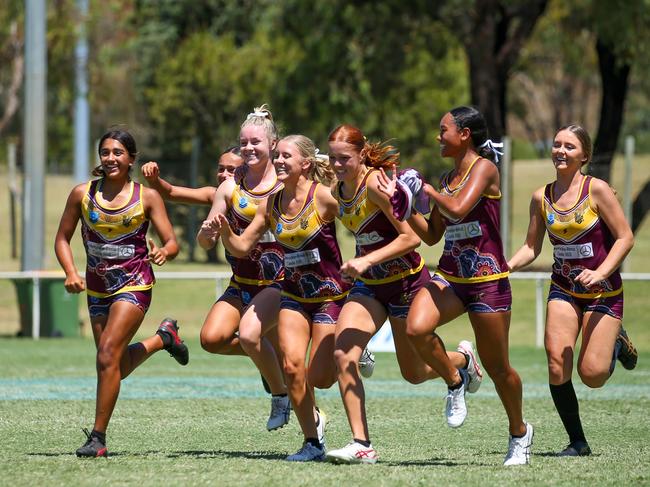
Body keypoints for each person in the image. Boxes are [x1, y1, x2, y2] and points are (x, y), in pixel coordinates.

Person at [378, 106, 532, 466]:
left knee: (499, 370)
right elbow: (432, 235)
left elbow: (460, 209)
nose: (438, 136)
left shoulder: (486, 169)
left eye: (443, 129)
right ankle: (455, 379)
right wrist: (404, 209)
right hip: (451, 277)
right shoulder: (447, 178)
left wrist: (425, 189)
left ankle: (520, 433)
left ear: (464, 134)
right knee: (416, 328)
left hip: (487, 282)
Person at [324, 124, 478, 464]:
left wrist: (366, 260)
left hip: (407, 283)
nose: (337, 165)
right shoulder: (338, 189)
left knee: (415, 373)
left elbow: (411, 239)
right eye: (332, 158)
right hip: (369, 288)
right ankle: (362, 444)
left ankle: (462, 364)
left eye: (343, 158)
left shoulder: (376, 186)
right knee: (343, 354)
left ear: (362, 153)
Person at [54, 130, 188, 458]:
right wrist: (71, 272)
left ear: (131, 158)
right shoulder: (81, 195)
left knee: (106, 357)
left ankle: (98, 437)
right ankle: (163, 338)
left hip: (135, 285)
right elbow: (61, 239)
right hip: (97, 289)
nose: (110, 158)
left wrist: (164, 253)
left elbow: (172, 242)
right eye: (105, 152)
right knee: (113, 364)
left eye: (118, 152)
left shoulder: (147, 197)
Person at [215, 134, 348, 461]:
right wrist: (224, 230)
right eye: (278, 157)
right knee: (291, 368)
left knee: (321, 377)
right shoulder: (271, 204)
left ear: (305, 163)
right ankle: (312, 444)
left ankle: (352, 344)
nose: (279, 162)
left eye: (286, 156)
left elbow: (360, 217)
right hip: (293, 294)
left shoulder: (325, 198)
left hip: (330, 295)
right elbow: (242, 246)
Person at [508, 124, 637, 457]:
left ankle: (615, 342)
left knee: (592, 375)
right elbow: (530, 247)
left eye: (569, 146)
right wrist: (503, 268)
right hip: (563, 290)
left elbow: (625, 238)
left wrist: (601, 272)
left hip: (603, 293)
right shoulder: (541, 197)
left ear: (585, 156)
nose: (560, 151)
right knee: (555, 365)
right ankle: (578, 442)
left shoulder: (598, 191)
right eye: (556, 145)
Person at [196, 105, 291, 431]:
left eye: (256, 142)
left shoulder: (286, 183)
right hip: (243, 283)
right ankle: (274, 369)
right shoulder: (229, 187)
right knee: (211, 339)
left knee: (265, 344)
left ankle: (280, 392)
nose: (249, 148)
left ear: (274, 143)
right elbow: (206, 241)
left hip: (281, 282)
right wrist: (208, 233)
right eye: (244, 142)